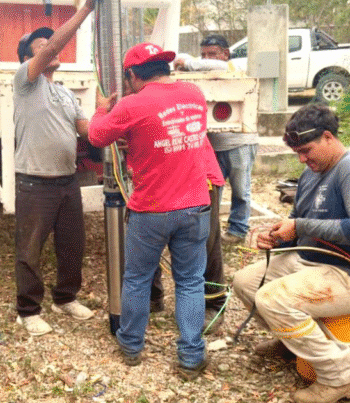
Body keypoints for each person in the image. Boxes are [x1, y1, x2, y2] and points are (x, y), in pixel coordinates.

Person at [232, 104, 350, 403]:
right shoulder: (311, 174)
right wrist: (278, 239)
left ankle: (341, 377)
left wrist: (299, 225)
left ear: (328, 137)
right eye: (297, 153)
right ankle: (292, 343)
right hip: (316, 262)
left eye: (306, 150)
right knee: (245, 281)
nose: (302, 159)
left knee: (273, 298)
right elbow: (299, 224)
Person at [89, 42, 211, 380]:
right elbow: (174, 134)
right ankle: (190, 356)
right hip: (195, 205)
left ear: (130, 74)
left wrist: (101, 109)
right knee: (189, 281)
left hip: (152, 210)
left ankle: (130, 345)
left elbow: (97, 136)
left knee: (138, 279)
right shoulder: (195, 94)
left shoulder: (132, 105)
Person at [12, 0, 97, 337]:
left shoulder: (64, 93)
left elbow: (85, 129)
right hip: (35, 183)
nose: (49, 48)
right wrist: (84, 11)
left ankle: (65, 298)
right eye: (40, 45)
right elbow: (52, 49)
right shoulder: (25, 81)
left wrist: (111, 115)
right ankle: (28, 310)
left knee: (72, 243)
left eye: (50, 42)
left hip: (66, 180)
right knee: (30, 248)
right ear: (28, 59)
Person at [175, 34, 258, 245]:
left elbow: (206, 64)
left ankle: (238, 230)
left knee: (241, 191)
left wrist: (189, 62)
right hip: (213, 146)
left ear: (225, 54)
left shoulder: (235, 68)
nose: (205, 59)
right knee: (212, 190)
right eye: (202, 54)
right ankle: (211, 232)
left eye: (211, 54)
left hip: (239, 143)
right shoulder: (200, 77)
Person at [150, 138, 227, 334]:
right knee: (149, 236)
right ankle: (153, 296)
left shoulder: (181, 108)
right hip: (156, 176)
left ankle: (214, 304)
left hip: (197, 175)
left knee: (205, 242)